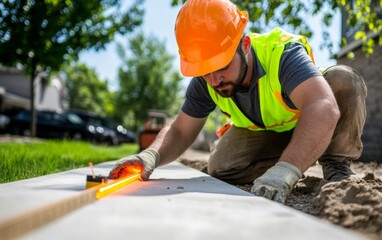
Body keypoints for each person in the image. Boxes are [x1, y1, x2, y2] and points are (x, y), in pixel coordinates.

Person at [109, 0, 367, 203]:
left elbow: (323, 106)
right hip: (271, 132)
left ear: (244, 45)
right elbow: (179, 129)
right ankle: (301, 152)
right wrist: (149, 156)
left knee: (343, 80)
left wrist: (286, 170)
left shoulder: (281, 54)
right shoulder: (206, 79)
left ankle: (334, 163)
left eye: (220, 66)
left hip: (312, 120)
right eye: (204, 70)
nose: (214, 79)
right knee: (222, 167)